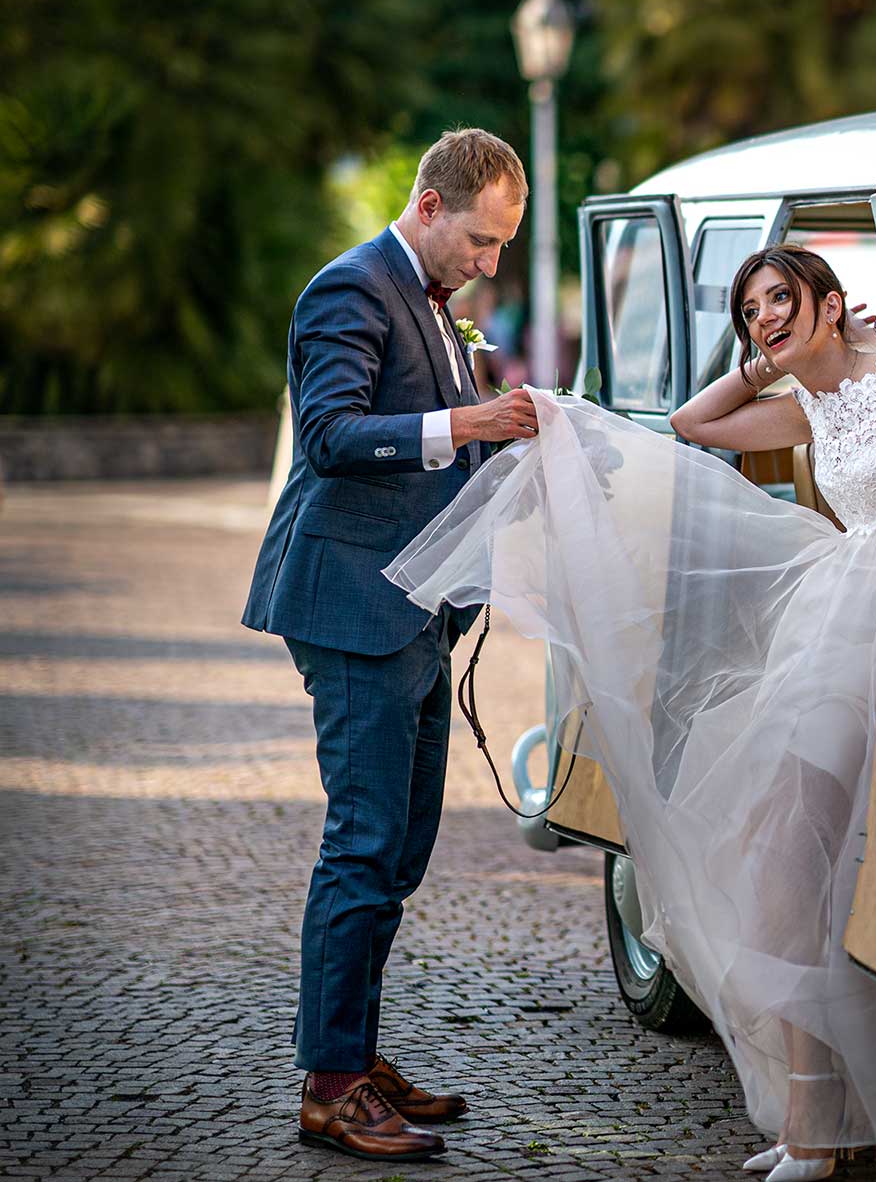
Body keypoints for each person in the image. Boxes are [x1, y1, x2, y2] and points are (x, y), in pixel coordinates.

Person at [387, 246, 876, 1179]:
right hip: (839, 616)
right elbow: (696, 423)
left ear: (829, 299)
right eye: (750, 310)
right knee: (782, 865)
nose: (766, 318)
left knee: (795, 861)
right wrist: (768, 361)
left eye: (782, 299)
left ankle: (820, 1131)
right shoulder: (806, 403)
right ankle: (815, 1121)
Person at [242, 128, 540, 1161]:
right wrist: (465, 423)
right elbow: (330, 436)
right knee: (363, 843)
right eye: (482, 239)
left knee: (401, 848)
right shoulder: (350, 288)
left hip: (415, 608)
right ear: (428, 205)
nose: (489, 263)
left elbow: (435, 441)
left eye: (502, 245)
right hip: (349, 607)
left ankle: (357, 1056)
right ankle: (328, 1086)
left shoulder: (426, 298)